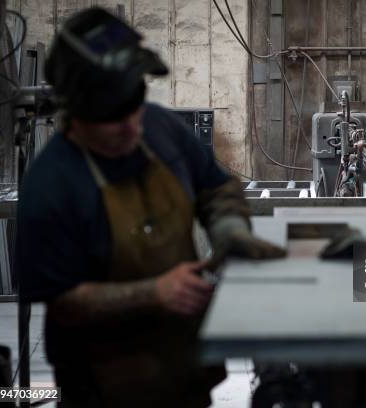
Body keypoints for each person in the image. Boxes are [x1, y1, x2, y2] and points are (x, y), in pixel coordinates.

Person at [15, 8, 284, 407]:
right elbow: (65, 302)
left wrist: (229, 229)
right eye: (110, 116)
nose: (129, 124)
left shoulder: (161, 129)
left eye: (134, 101)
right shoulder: (50, 185)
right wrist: (153, 293)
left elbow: (216, 188)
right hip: (103, 386)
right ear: (75, 111)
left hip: (184, 371)